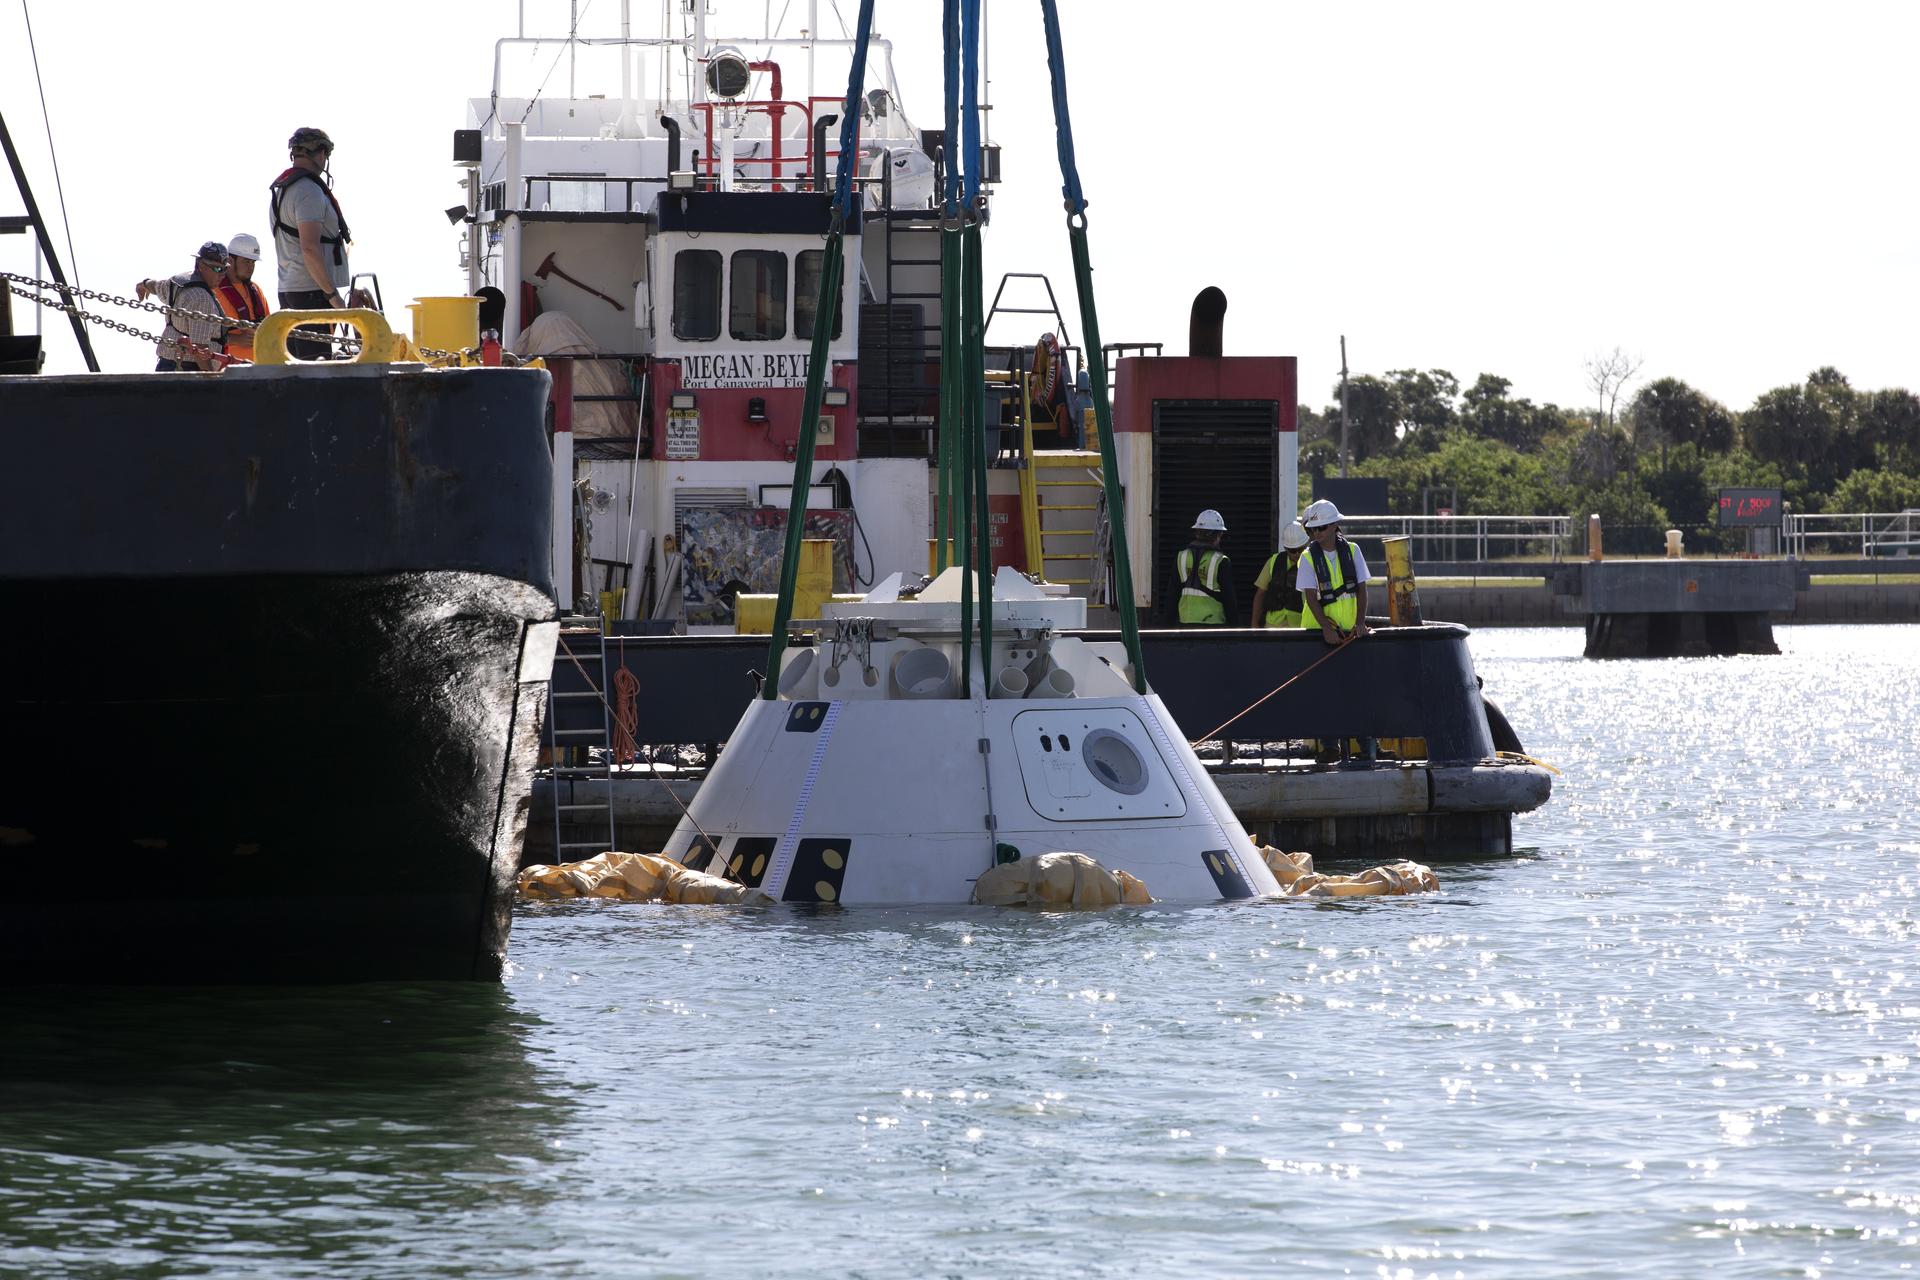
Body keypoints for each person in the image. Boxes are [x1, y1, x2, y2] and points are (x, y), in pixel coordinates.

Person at [269, 126, 352, 360]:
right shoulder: (308, 191)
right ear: (321, 154)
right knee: (315, 367)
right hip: (311, 293)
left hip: (289, 290)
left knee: (297, 367)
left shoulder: (282, 189)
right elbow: (309, 248)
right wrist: (332, 295)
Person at [135, 241, 228, 371]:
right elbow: (200, 350)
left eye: (225, 269)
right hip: (188, 369)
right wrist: (212, 378)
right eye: (218, 269)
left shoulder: (177, 283)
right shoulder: (203, 300)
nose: (222, 275)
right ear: (201, 265)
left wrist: (144, 284)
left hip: (165, 365)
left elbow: (156, 287)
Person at [1296, 498, 1371, 645]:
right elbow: (1311, 597)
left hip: (1348, 631)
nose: (1317, 532)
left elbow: (1362, 589)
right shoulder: (1307, 557)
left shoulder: (1353, 550)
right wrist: (1326, 628)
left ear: (1335, 524)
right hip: (1316, 632)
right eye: (1313, 528)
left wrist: (1360, 622)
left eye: (1322, 527)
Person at [212, 233, 272, 363]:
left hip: (258, 366)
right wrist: (235, 340)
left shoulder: (256, 290)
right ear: (230, 261)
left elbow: (269, 326)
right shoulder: (213, 290)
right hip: (225, 368)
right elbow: (200, 333)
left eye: (253, 262)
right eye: (246, 261)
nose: (251, 267)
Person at [1174, 509, 1237, 626]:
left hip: (1185, 622)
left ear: (1197, 533)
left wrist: (1168, 626)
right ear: (1218, 535)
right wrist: (1235, 627)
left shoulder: (1182, 557)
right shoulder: (1221, 561)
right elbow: (1229, 599)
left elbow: (1172, 594)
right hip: (1213, 624)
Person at [1250, 518, 1310, 628]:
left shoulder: (1313, 563)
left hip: (1300, 626)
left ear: (1307, 544)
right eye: (1293, 550)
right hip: (1273, 626)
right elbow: (1260, 594)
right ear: (1286, 548)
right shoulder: (1273, 561)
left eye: (1301, 549)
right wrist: (1254, 624)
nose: (1297, 553)